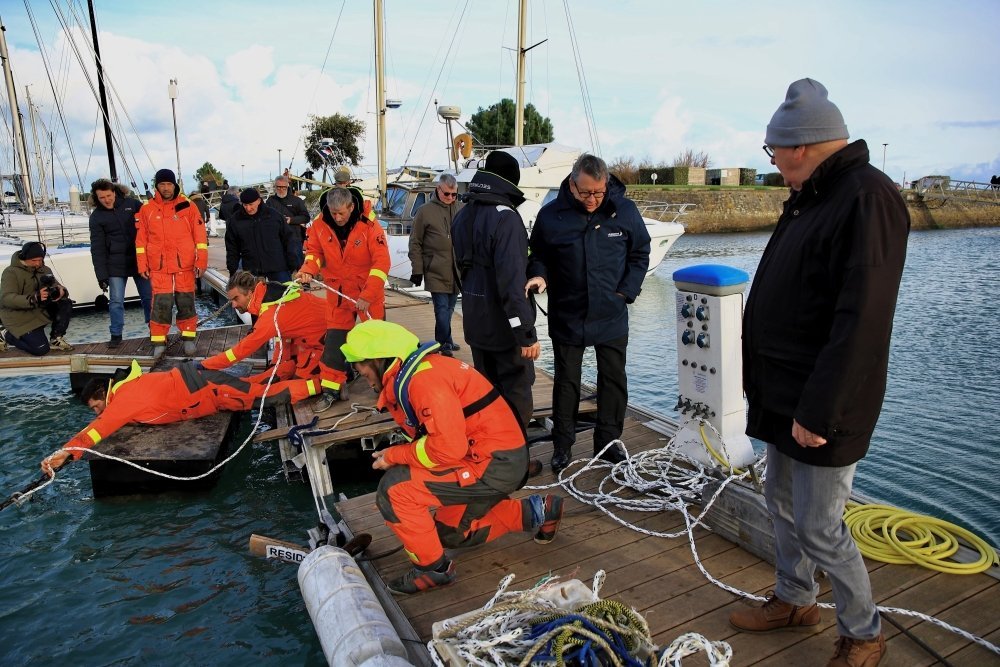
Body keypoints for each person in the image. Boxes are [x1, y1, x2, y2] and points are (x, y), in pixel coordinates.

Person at [729, 79, 910, 667]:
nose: (774, 162)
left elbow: (862, 320)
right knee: (780, 502)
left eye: (774, 151)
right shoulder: (814, 194)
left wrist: (821, 410)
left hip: (823, 403)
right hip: (786, 393)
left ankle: (863, 632)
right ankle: (795, 598)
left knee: (820, 524)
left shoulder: (867, 199)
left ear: (800, 146)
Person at [340, 319, 564, 594]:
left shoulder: (424, 382)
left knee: (394, 489)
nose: (357, 371)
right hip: (491, 458)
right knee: (450, 534)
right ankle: (540, 511)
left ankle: (433, 571)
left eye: (359, 364)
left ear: (380, 359)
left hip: (493, 464)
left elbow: (447, 448)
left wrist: (395, 455)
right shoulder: (422, 372)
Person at [526, 154, 650, 473]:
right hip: (568, 313)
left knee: (613, 380)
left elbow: (640, 253)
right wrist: (539, 275)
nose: (592, 199)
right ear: (572, 184)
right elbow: (538, 255)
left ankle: (608, 443)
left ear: (606, 184)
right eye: (585, 193)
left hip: (611, 313)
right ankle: (562, 444)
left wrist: (626, 292)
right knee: (567, 381)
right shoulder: (551, 215)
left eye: (598, 192)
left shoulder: (625, 211)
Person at [40, 359, 320, 474]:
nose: (98, 412)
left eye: (96, 407)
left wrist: (67, 452)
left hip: (207, 391)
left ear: (105, 393)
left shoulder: (123, 400)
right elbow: (102, 422)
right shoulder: (125, 393)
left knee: (263, 396)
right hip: (202, 386)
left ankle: (321, 385)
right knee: (254, 385)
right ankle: (293, 368)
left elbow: (99, 429)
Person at [451, 152, 539, 432]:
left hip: (475, 323)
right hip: (504, 330)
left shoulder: (462, 215)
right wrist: (526, 333)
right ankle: (516, 454)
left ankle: (490, 449)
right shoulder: (506, 218)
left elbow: (459, 270)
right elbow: (512, 283)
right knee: (516, 394)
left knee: (486, 395)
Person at [296, 186, 390, 413]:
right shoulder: (319, 225)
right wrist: (308, 269)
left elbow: (381, 263)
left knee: (378, 344)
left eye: (341, 213)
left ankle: (387, 388)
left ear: (351, 206)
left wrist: (367, 295)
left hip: (367, 295)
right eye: (334, 213)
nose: (337, 218)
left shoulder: (370, 225)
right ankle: (331, 390)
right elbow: (314, 253)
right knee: (334, 345)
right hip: (338, 296)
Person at [201, 270, 326, 383]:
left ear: (250, 293)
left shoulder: (269, 314)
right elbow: (283, 333)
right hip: (312, 337)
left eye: (236, 299)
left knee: (301, 384)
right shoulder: (271, 295)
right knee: (281, 373)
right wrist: (275, 364)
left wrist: (205, 365)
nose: (233, 305)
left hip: (325, 342)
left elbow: (242, 350)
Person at [135, 168, 208, 359]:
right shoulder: (147, 209)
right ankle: (159, 342)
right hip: (159, 267)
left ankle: (188, 338)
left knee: (186, 302)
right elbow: (141, 241)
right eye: (162, 184)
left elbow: (200, 236)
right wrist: (142, 264)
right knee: (161, 304)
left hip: (185, 265)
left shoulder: (188, 206)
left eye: (169, 184)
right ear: (157, 186)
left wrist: (201, 261)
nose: (166, 188)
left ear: (175, 185)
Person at [87, 178, 152, 348]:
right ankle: (116, 334)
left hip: (139, 261)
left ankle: (155, 331)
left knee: (148, 298)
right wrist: (101, 276)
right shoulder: (96, 217)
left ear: (114, 192)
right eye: (102, 198)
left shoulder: (132, 204)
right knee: (116, 301)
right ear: (96, 198)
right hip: (115, 264)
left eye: (109, 196)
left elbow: (151, 225)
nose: (106, 200)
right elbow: (97, 248)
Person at [408, 173, 463, 354]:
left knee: (450, 308)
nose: (450, 197)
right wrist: (417, 270)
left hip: (457, 271)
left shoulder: (461, 208)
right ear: (438, 189)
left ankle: (447, 339)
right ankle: (443, 343)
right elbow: (415, 242)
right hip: (435, 269)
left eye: (454, 194)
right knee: (441, 309)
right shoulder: (424, 211)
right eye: (447, 194)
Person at [0, 241, 73, 355]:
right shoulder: (11, 273)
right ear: (24, 258)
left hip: (38, 312)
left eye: (40, 260)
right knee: (41, 349)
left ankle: (56, 338)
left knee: (65, 303)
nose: (38, 263)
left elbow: (55, 285)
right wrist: (33, 298)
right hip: (18, 317)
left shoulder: (45, 269)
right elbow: (6, 298)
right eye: (34, 260)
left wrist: (61, 291)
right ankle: (5, 334)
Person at [225, 188, 297, 282]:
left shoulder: (274, 216)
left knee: (284, 291)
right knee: (252, 292)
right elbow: (232, 248)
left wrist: (292, 263)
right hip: (251, 269)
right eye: (245, 205)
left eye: (251, 204)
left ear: (259, 201)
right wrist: (233, 270)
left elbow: (289, 239)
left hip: (278, 266)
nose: (248, 208)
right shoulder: (235, 221)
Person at [267, 175, 311, 266]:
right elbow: (266, 218)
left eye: (284, 187)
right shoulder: (270, 201)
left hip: (294, 237)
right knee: (279, 265)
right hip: (276, 238)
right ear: (275, 187)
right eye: (278, 187)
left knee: (298, 264)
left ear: (287, 186)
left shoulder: (297, 200)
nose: (281, 189)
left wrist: (291, 220)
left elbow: (306, 217)